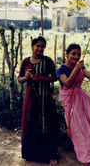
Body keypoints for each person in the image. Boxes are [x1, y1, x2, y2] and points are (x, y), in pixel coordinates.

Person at [18, 36, 59, 166]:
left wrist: (40, 77)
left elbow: (54, 78)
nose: (40, 49)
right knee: (31, 124)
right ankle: (31, 154)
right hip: (31, 99)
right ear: (32, 46)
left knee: (47, 125)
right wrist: (26, 77)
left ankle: (51, 156)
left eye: (42, 46)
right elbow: (19, 79)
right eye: (38, 46)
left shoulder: (48, 61)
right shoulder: (26, 62)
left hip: (45, 99)